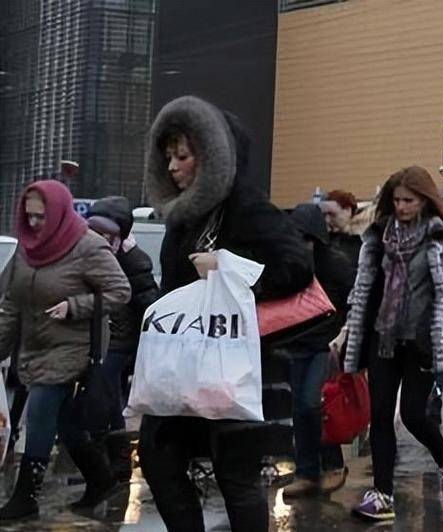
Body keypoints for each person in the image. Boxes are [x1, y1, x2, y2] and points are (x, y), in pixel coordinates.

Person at [137, 96, 314, 532]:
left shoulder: (246, 207)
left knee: (236, 474)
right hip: (182, 366)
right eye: (168, 157)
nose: (172, 168)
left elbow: (297, 267)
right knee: (158, 459)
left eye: (183, 156)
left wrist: (227, 268)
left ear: (213, 156)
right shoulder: (182, 215)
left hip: (233, 367)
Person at [331, 166, 443, 522]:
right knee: (380, 415)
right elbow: (363, 285)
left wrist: (438, 325)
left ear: (424, 200)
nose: (401, 206)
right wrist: (349, 327)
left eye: (409, 201)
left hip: (420, 343)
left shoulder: (442, 237)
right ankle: (383, 494)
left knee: (415, 415)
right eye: (397, 200)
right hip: (382, 337)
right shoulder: (378, 235)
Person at [0, 181, 131, 520]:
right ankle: (101, 479)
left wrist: (75, 306)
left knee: (41, 410)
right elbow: (11, 302)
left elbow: (120, 290)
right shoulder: (27, 248)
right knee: (67, 423)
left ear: (59, 212)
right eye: (28, 216)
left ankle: (26, 496)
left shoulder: (87, 246)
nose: (34, 223)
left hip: (73, 346)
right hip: (35, 345)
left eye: (41, 216)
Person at [276, 203, 357, 498]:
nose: (302, 246)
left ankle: (331, 464)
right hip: (297, 344)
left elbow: (354, 299)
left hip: (325, 345)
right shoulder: (289, 265)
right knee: (301, 409)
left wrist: (345, 336)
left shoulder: (335, 264)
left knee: (313, 404)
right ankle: (307, 472)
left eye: (307, 240)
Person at [85, 196, 161, 482]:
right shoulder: (90, 252)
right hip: (96, 337)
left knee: (103, 396)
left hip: (120, 339)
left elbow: (149, 303)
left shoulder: (133, 260)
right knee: (105, 398)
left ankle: (114, 460)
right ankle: (110, 461)